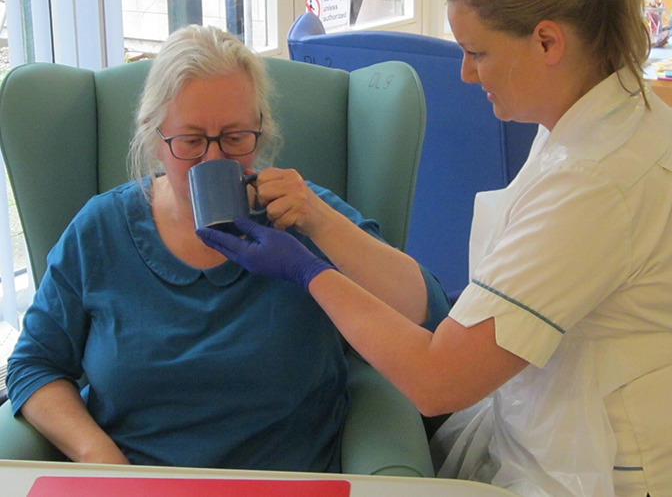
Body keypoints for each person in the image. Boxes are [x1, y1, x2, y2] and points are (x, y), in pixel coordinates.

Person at [197, 0, 672, 497]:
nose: (465, 74)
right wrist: (319, 221)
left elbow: (437, 379)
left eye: (477, 53)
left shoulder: (600, 178)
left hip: (627, 468)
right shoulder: (595, 120)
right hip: (569, 419)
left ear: (548, 42)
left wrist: (307, 270)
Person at [6, 25, 449, 471]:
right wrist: (99, 456)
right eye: (191, 141)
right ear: (155, 141)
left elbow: (424, 311)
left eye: (236, 138)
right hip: (139, 482)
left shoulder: (299, 214)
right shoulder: (100, 230)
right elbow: (34, 365)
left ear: (262, 132)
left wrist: (321, 222)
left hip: (285, 481)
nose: (214, 161)